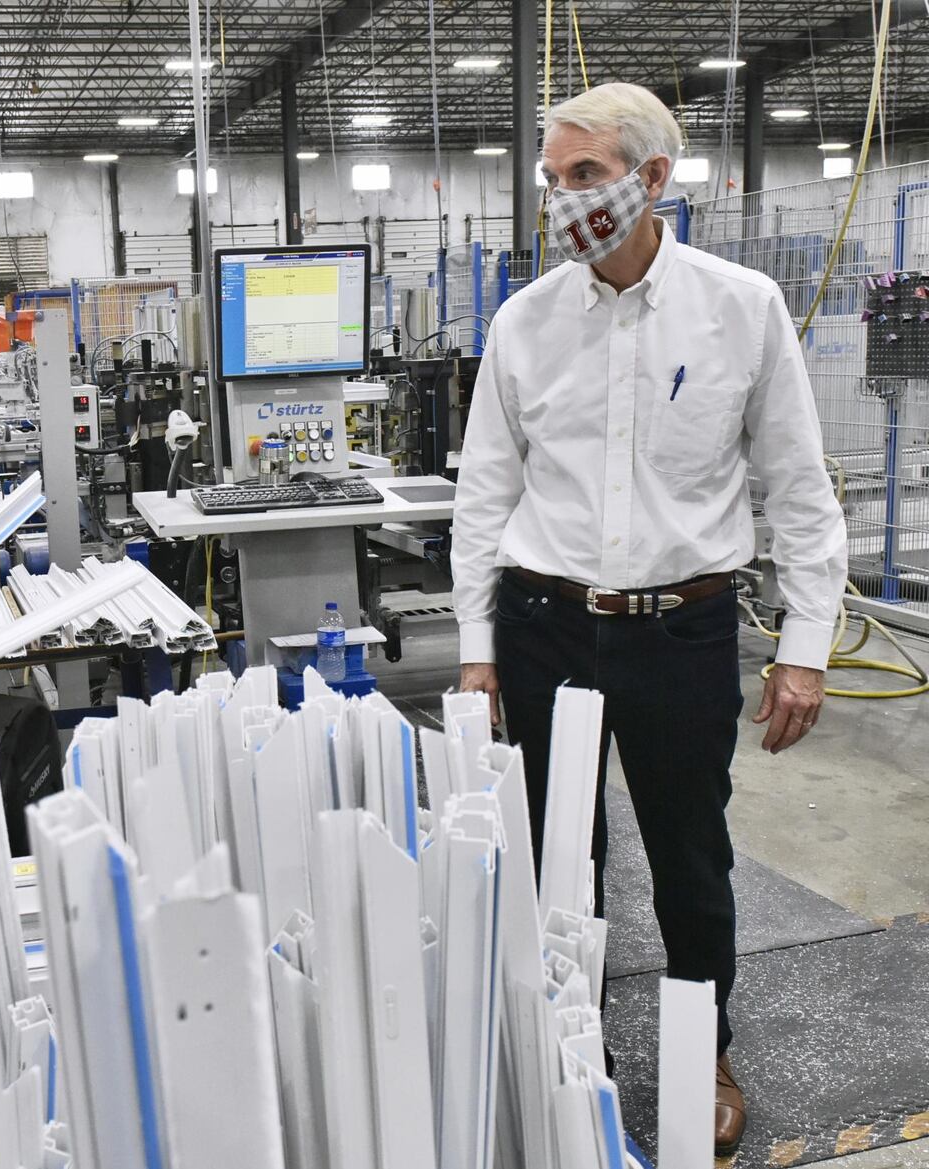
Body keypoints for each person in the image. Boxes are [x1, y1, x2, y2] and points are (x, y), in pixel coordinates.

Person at [450, 83, 847, 1156]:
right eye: (553, 178)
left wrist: (803, 651)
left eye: (585, 175)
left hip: (682, 630)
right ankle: (572, 1057)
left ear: (652, 178)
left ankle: (700, 1048)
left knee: (688, 858)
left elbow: (798, 490)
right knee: (551, 857)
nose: (563, 198)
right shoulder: (523, 324)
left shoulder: (739, 308)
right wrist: (478, 650)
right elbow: (483, 496)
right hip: (542, 623)